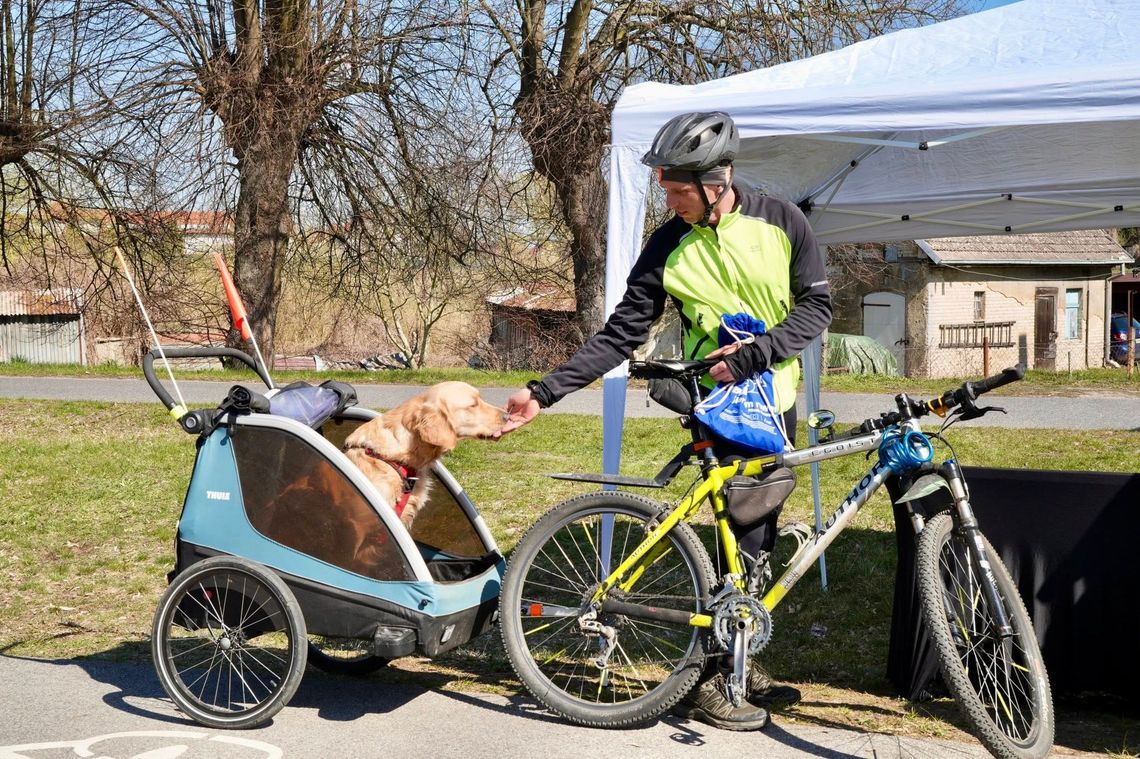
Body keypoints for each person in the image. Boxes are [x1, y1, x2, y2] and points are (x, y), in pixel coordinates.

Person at [495, 111, 832, 731]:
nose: (669, 200)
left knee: (758, 530)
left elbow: (817, 306)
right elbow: (623, 332)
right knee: (741, 530)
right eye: (666, 189)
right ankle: (710, 676)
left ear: (719, 179)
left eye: (679, 190)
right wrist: (544, 390)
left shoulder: (784, 221)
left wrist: (760, 352)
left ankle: (738, 650)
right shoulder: (667, 243)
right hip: (717, 401)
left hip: (774, 398)